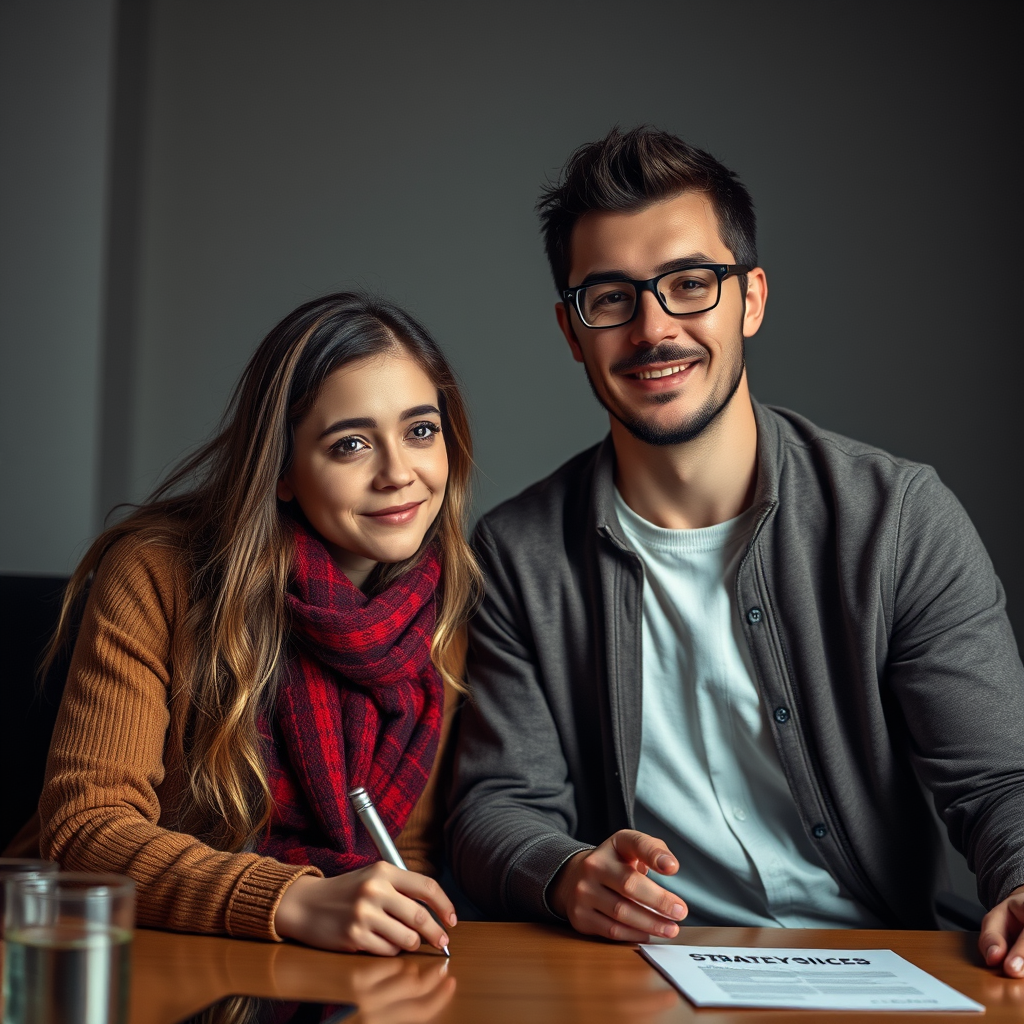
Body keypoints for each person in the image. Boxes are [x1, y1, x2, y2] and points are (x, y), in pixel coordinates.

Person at [447, 127, 1024, 976]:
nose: (653, 329)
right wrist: (566, 873)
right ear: (573, 333)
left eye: (690, 285)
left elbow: (998, 782)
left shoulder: (898, 518)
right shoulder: (518, 554)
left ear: (749, 299)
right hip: (640, 977)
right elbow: (498, 804)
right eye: (610, 297)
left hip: (881, 967)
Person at [33, 292, 481, 955]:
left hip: (318, 968)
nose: (398, 474)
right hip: (132, 953)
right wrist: (292, 898)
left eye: (420, 430)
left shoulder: (443, 616)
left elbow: (404, 850)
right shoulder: (157, 573)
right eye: (351, 444)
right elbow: (85, 830)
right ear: (283, 473)